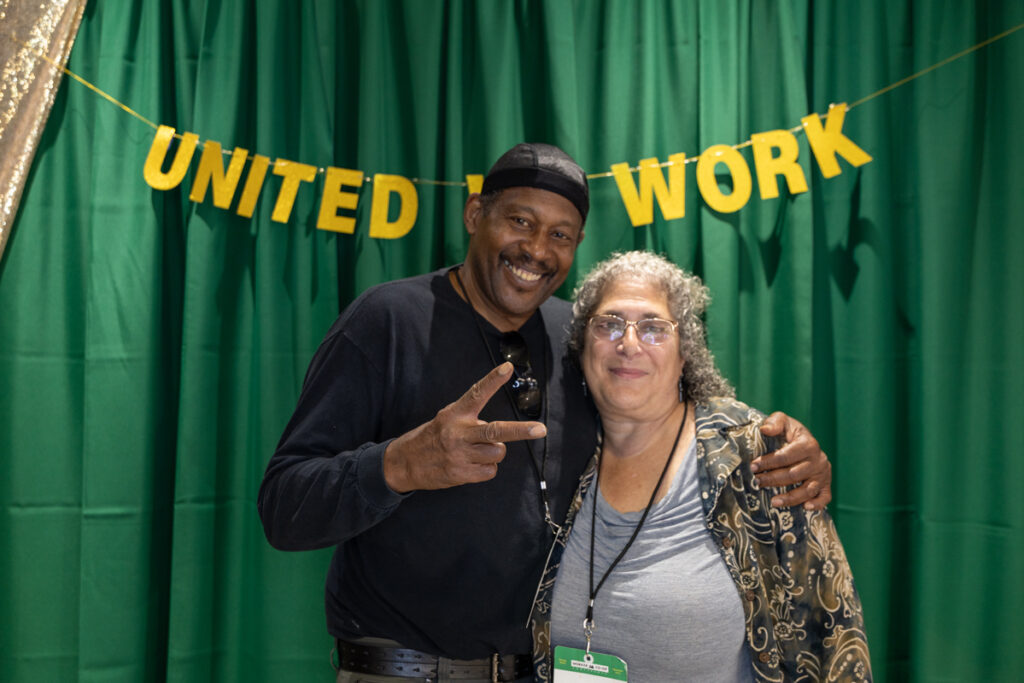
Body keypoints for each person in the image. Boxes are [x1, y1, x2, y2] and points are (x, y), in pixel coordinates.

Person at [257, 143, 834, 683]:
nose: (537, 249)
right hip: (403, 669)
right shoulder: (387, 321)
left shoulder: (575, 339)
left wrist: (775, 442)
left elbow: (664, 410)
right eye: (520, 222)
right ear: (474, 214)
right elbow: (284, 507)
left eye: (561, 234)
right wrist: (400, 465)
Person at [532, 251, 870, 682]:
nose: (629, 343)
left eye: (654, 328)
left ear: (685, 353)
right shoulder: (560, 451)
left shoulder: (754, 457)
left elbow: (833, 636)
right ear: (582, 348)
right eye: (609, 324)